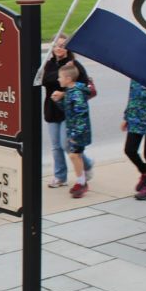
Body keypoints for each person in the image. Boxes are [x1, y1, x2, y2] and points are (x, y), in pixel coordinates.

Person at [40, 34, 94, 188]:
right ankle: (60, 176)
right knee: (55, 145)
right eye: (56, 45)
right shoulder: (49, 63)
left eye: (62, 46)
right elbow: (45, 80)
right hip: (51, 109)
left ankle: (87, 164)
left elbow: (83, 86)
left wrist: (64, 93)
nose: (59, 48)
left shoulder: (74, 65)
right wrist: (60, 75)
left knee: (66, 144)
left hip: (68, 111)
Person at [51, 63, 92, 198]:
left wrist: (75, 135)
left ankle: (82, 182)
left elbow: (81, 115)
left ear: (68, 79)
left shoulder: (76, 94)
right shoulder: (70, 92)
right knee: (76, 156)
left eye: (60, 77)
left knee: (74, 155)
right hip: (75, 130)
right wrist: (58, 101)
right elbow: (68, 110)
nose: (58, 79)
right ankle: (81, 181)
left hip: (79, 132)